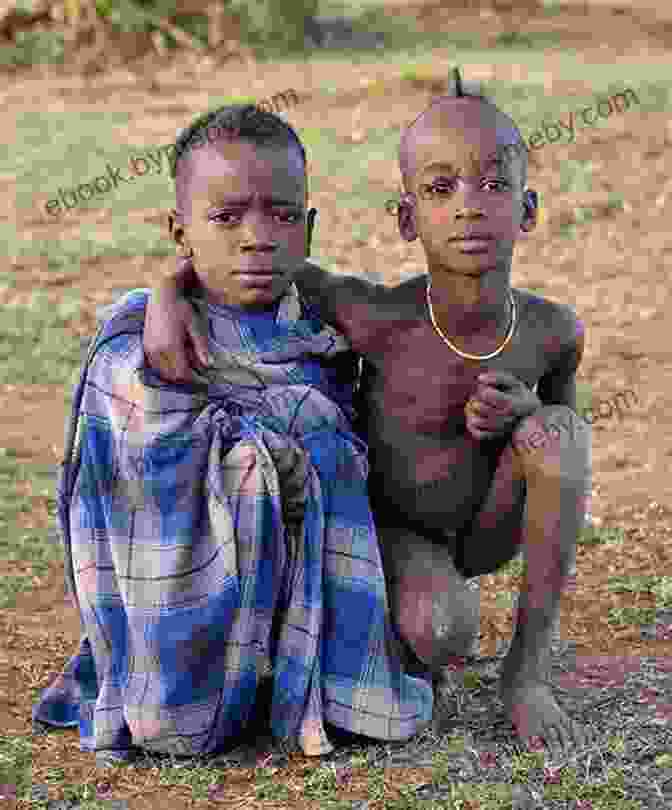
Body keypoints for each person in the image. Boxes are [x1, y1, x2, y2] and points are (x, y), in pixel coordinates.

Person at [144, 71, 595, 759]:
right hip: (402, 533)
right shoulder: (377, 315)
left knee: (560, 431)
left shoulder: (554, 331)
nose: (470, 208)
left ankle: (528, 671)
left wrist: (529, 410)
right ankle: (392, 631)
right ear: (407, 217)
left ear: (528, 210)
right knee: (444, 631)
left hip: (491, 525)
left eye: (494, 186)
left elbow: (564, 456)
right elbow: (249, 259)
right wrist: (165, 289)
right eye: (442, 189)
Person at [32, 104, 433, 764]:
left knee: (434, 621)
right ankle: (208, 679)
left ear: (308, 229)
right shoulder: (138, 339)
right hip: (184, 608)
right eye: (226, 217)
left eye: (280, 215)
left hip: (301, 585)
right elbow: (139, 468)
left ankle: (305, 668)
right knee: (173, 728)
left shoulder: (326, 331)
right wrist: (260, 459)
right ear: (180, 230)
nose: (257, 237)